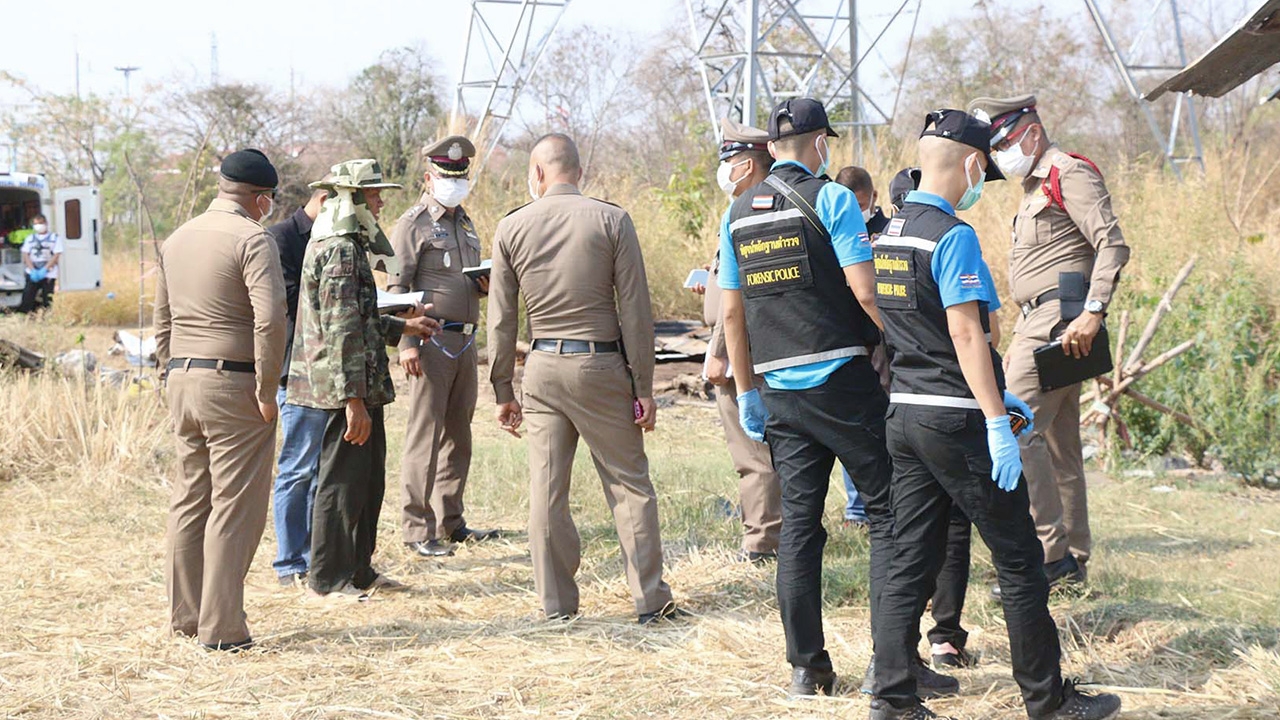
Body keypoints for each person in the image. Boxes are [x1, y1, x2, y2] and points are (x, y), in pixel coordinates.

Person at [867, 109, 1121, 720]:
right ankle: (1048, 698)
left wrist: (990, 394)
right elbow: (964, 333)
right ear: (974, 164)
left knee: (909, 557)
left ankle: (891, 698)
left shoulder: (892, 231)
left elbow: (904, 326)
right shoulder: (952, 235)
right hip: (956, 420)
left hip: (905, 414)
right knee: (1018, 558)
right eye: (985, 166)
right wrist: (992, 414)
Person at [719, 98, 934, 698]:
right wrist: (905, 344)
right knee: (890, 515)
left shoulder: (736, 212)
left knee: (799, 530)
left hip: (779, 393)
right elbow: (865, 291)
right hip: (842, 382)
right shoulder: (833, 199)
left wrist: (746, 391)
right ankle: (892, 666)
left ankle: (806, 670)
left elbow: (732, 312)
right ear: (819, 145)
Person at [488, 133, 681, 625]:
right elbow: (636, 311)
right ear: (579, 171)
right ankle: (649, 601)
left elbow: (501, 320)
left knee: (546, 489)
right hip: (601, 365)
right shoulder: (612, 219)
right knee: (628, 485)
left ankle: (556, 605)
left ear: (536, 174)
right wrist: (644, 387)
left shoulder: (511, 226)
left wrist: (502, 390)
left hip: (543, 367)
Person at [968, 95, 1130, 593]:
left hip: (1064, 319)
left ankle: (1047, 554)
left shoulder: (1067, 172)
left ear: (1032, 133)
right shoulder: (1034, 184)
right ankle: (1073, 560)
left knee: (1013, 426)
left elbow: (1112, 243)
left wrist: (1093, 311)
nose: (1001, 154)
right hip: (1038, 321)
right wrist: (1019, 337)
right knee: (1060, 446)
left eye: (1005, 142)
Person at [287, 159, 441, 600]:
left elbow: (358, 317)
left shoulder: (350, 245)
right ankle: (328, 578)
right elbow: (340, 331)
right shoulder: (338, 248)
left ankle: (358, 570)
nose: (378, 201)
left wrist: (405, 329)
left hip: (361, 384)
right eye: (372, 194)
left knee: (367, 481)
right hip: (343, 390)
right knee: (340, 484)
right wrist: (352, 400)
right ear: (351, 197)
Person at [155, 149, 287, 651]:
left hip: (183, 380)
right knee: (234, 506)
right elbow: (270, 318)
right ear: (260, 198)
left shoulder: (178, 237)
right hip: (234, 383)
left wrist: (169, 373)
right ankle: (223, 628)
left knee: (190, 500)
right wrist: (266, 387)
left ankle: (185, 618)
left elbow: (162, 320)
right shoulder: (253, 238)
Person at [389, 135, 497, 559]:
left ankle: (451, 521)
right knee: (425, 436)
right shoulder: (412, 224)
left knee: (459, 435)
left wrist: (482, 288)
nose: (454, 183)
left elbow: (460, 280)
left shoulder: (466, 223)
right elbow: (397, 288)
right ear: (428, 178)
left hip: (465, 341)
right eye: (446, 176)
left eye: (460, 176)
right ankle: (417, 529)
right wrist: (406, 343)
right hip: (429, 341)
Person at [692, 117, 782, 563]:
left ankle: (761, 542)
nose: (723, 169)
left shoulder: (748, 211)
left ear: (746, 164)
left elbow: (742, 297)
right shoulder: (762, 206)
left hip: (740, 353)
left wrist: (719, 352)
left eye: (728, 161)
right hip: (756, 346)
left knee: (753, 453)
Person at [266, 185, 331, 587]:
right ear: (325, 200)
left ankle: (312, 557)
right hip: (296, 370)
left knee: (321, 470)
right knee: (297, 469)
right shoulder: (280, 239)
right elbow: (291, 301)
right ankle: (289, 562)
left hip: (325, 373)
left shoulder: (331, 238)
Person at [19, 215, 62, 313]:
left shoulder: (54, 238)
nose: (38, 226)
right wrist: (33, 270)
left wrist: (45, 269)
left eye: (40, 223)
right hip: (32, 272)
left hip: (48, 273)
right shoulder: (30, 238)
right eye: (35, 224)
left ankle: (46, 318)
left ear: (46, 224)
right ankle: (27, 317)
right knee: (28, 297)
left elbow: (56, 254)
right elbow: (25, 254)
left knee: (47, 298)